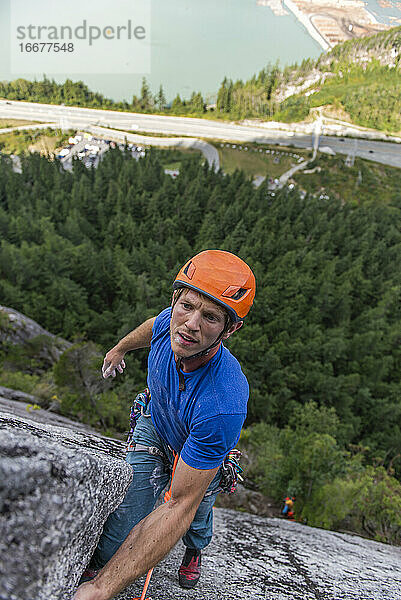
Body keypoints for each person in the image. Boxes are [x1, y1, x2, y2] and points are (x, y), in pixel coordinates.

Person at [74, 249, 256, 600]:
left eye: (211, 317)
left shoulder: (223, 403)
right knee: (125, 514)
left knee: (197, 513)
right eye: (186, 306)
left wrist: (100, 591)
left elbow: (179, 505)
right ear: (175, 299)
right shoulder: (169, 322)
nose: (190, 324)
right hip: (156, 424)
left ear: (231, 329)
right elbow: (153, 327)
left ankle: (195, 550)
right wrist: (119, 349)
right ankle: (99, 563)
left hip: (197, 444)